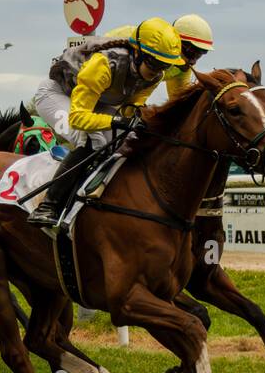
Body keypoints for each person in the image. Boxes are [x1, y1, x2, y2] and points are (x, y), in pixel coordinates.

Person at [27, 17, 185, 229]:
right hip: (56, 95)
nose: (158, 71)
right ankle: (49, 205)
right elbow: (78, 118)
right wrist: (118, 120)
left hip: (95, 102)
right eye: (154, 63)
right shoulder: (104, 64)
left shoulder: (155, 77)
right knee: (92, 139)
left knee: (127, 139)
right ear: (137, 52)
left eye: (165, 65)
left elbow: (130, 108)